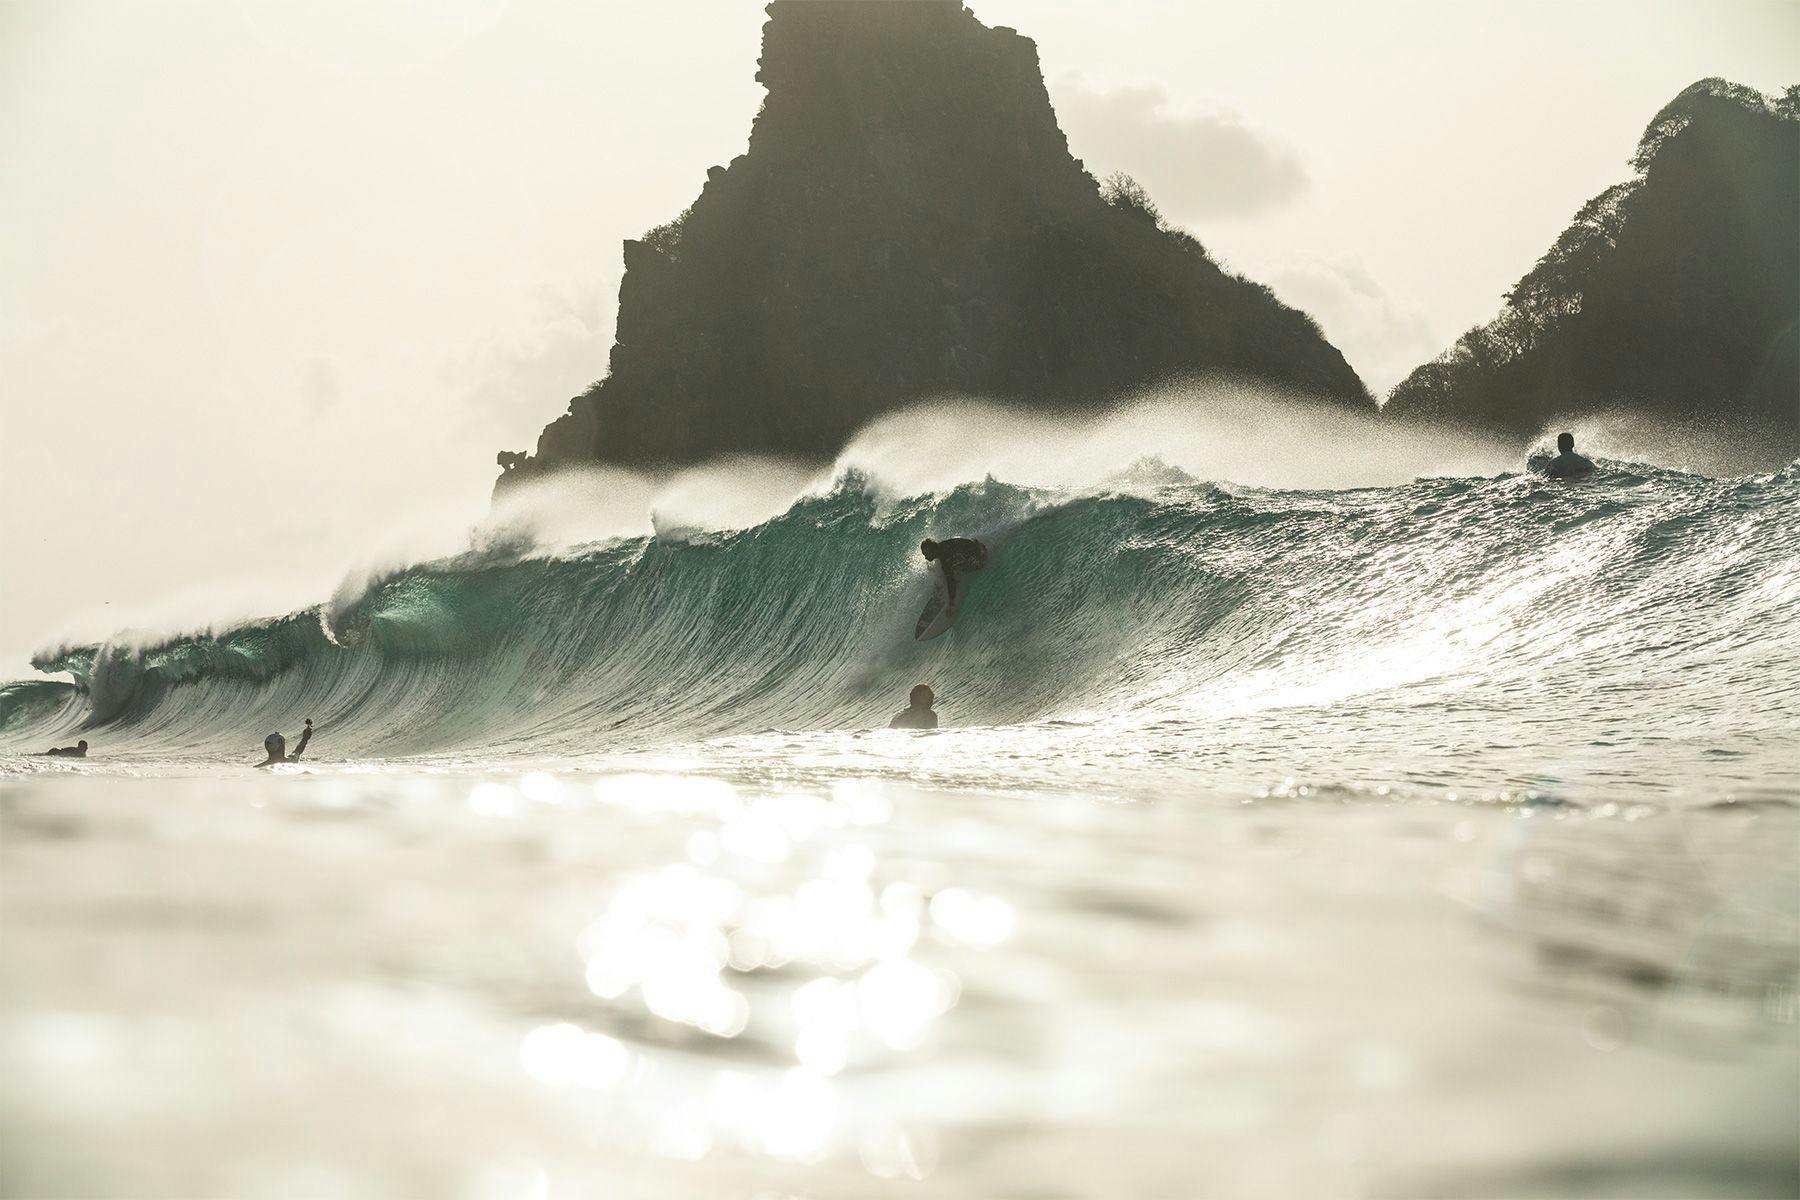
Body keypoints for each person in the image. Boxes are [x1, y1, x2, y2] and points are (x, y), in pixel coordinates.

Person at [920, 536, 988, 607]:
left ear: (932, 551)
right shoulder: (942, 546)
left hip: (979, 555)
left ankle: (942, 594)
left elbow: (951, 581)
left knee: (953, 574)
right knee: (953, 571)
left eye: (926, 554)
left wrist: (951, 603)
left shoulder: (945, 557)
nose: (925, 557)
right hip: (977, 546)